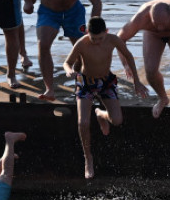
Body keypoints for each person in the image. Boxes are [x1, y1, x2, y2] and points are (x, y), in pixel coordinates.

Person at [63, 17, 148, 179]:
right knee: (83, 122)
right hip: (86, 83)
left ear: (106, 32)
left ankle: (100, 114)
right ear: (88, 33)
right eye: (93, 38)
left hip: (105, 82)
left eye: (100, 38)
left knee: (117, 120)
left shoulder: (113, 40)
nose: (96, 42)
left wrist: (137, 81)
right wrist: (68, 70)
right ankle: (88, 157)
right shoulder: (82, 43)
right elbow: (67, 62)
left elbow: (129, 56)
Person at [21, 0, 103, 100]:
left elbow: (96, 2)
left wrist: (94, 28)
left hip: (73, 13)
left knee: (82, 51)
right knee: (43, 44)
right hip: (49, 12)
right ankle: (49, 89)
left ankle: (79, 83)